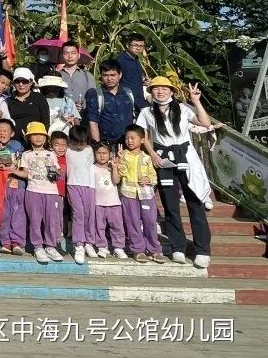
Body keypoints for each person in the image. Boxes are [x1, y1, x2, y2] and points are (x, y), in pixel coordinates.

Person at [137, 79, 220, 269]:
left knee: (195, 203)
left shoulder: (183, 109)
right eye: (156, 89)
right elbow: (143, 136)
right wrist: (153, 154)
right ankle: (178, 247)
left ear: (172, 91)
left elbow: (205, 123)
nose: (160, 92)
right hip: (164, 159)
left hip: (187, 158)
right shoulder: (146, 112)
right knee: (170, 205)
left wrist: (196, 101)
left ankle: (202, 250)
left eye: (164, 88)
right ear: (151, 91)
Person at [8, 121, 63, 264]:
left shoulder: (51, 154)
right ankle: (38, 247)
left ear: (46, 137)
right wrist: (13, 171)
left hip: (51, 192)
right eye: (34, 135)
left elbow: (58, 172)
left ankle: (51, 246)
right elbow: (26, 173)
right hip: (33, 191)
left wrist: (56, 171)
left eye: (41, 135)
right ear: (29, 138)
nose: (38, 138)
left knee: (51, 220)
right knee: (35, 220)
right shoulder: (26, 155)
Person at [117, 124, 163, 263]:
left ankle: (154, 249)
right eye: (127, 138)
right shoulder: (123, 155)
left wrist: (147, 179)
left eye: (133, 138)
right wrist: (121, 160)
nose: (129, 141)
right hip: (128, 193)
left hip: (146, 194)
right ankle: (138, 249)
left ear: (142, 140)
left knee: (150, 221)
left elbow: (154, 177)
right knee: (133, 222)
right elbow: (121, 173)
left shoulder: (147, 157)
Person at [65, 125, 97, 264]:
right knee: (78, 213)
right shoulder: (67, 150)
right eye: (77, 142)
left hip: (89, 186)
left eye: (82, 142)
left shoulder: (90, 149)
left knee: (90, 215)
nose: (80, 146)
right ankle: (78, 244)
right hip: (73, 184)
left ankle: (89, 242)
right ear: (71, 140)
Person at [85, 59, 136, 146]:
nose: (109, 79)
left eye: (113, 75)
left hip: (128, 143)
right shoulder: (95, 94)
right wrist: (98, 146)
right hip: (106, 144)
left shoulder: (128, 93)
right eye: (105, 75)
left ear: (120, 75)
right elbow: (93, 122)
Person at [0, 119, 25, 255]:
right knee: (4, 214)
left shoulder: (17, 145)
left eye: (5, 130)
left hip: (17, 184)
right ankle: (5, 242)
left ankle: (17, 242)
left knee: (18, 214)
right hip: (2, 186)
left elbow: (22, 162)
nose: (2, 133)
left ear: (12, 133)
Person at [93, 143, 128, 259]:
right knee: (99, 227)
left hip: (114, 203)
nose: (102, 156)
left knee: (117, 227)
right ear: (94, 154)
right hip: (98, 203)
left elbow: (116, 181)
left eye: (105, 153)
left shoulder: (112, 167)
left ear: (110, 154)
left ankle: (118, 247)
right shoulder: (92, 168)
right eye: (99, 153)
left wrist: (114, 167)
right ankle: (102, 246)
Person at [6, 67, 50, 140]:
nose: (21, 84)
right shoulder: (8, 100)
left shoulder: (39, 98)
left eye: (24, 81)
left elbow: (45, 121)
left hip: (35, 140)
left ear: (31, 82)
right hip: (14, 140)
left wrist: (42, 139)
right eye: (17, 81)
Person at [56, 41, 95, 113]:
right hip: (62, 115)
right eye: (66, 53)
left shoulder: (87, 75)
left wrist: (83, 107)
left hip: (83, 115)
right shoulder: (57, 76)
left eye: (73, 53)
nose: (70, 56)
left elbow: (92, 98)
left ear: (79, 55)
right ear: (62, 55)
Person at [116, 34, 148, 113]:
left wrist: (143, 81)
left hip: (139, 100)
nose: (138, 48)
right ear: (127, 45)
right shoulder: (121, 61)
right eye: (135, 45)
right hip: (126, 102)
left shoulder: (136, 59)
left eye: (141, 46)